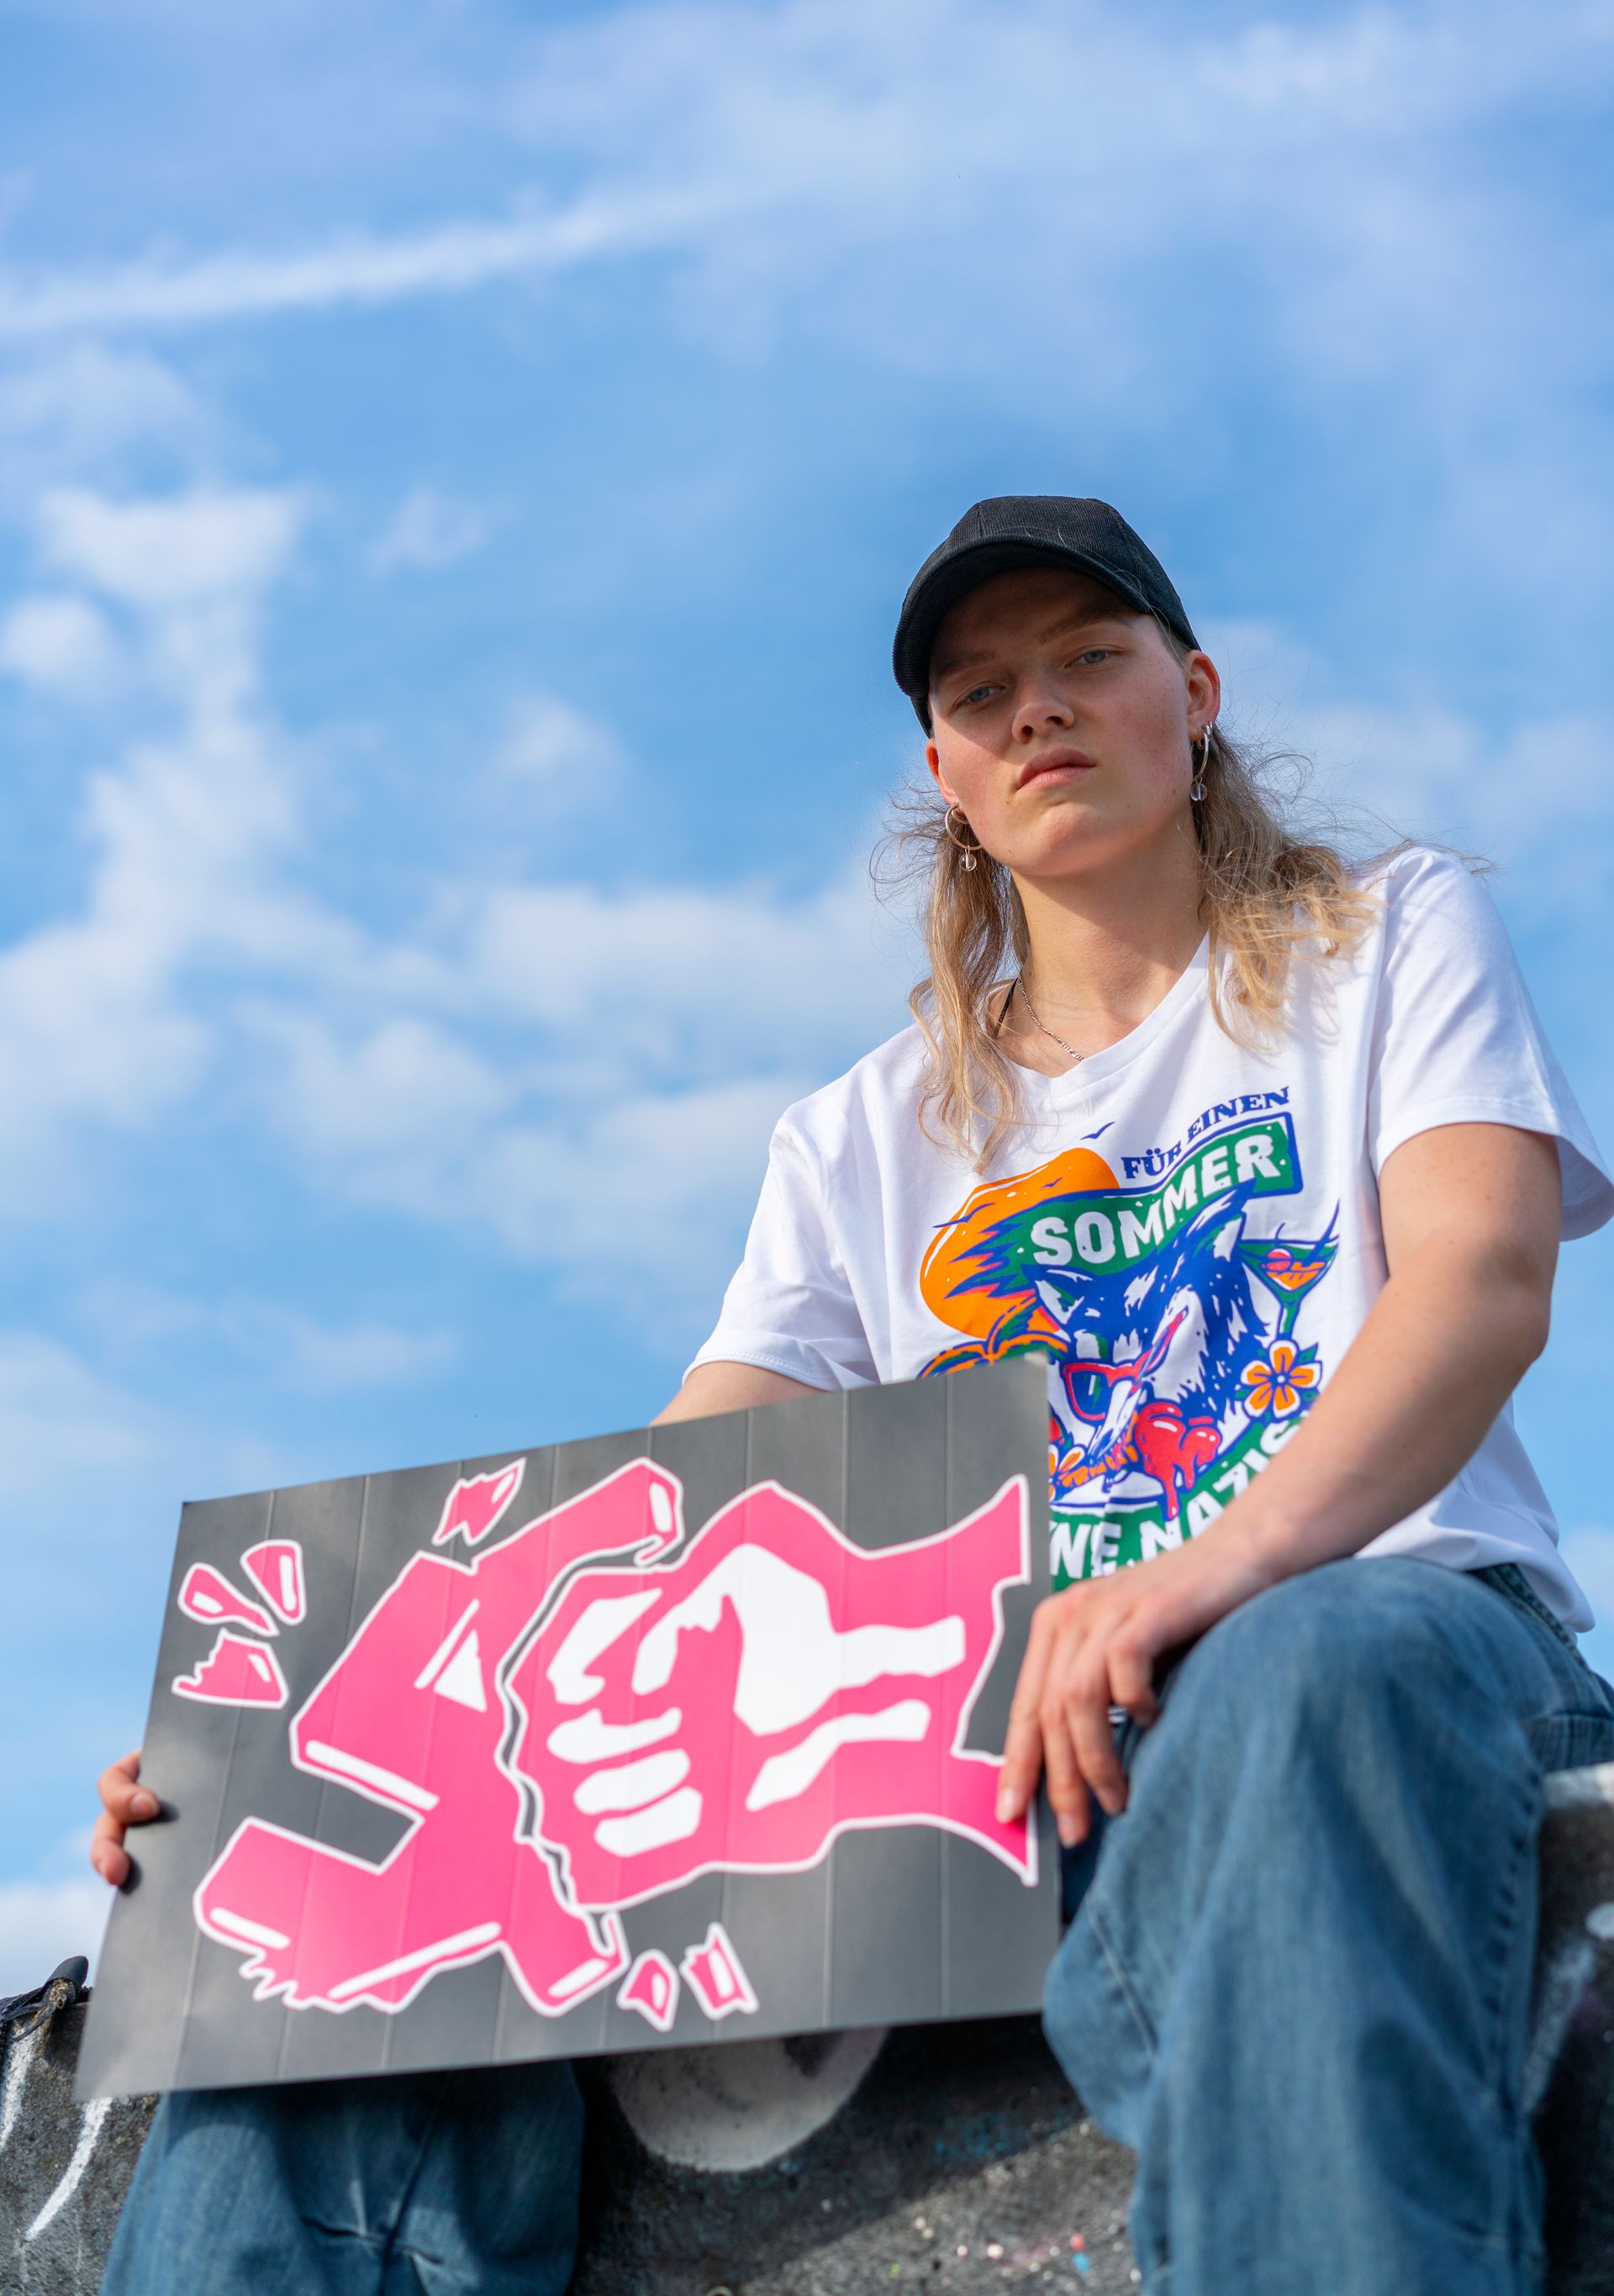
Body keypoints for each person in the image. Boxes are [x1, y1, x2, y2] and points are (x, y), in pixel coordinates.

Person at [93, 496, 1614, 2296]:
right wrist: (259, 1764)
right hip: (990, 1752)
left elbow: (1479, 1279)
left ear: (1195, 694)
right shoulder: (858, 1137)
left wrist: (1210, 1570)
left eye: (1090, 656)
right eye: (982, 692)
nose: (1037, 707)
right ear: (945, 774)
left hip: (1382, 1632)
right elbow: (658, 1503)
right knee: (323, 1921)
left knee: (1308, 1661)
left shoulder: (1386, 935)